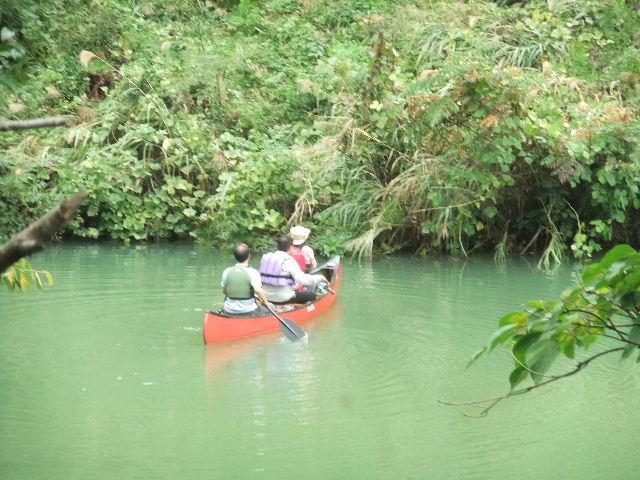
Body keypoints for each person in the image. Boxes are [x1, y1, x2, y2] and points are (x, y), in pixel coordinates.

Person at [259, 233, 327, 304]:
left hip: (265, 296)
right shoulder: (288, 260)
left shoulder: (266, 257)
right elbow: (302, 280)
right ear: (291, 247)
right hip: (282, 298)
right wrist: (320, 278)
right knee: (311, 295)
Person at [220, 243, 270, 316]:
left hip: (228, 310)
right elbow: (258, 291)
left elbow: (224, 291)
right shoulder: (253, 272)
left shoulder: (227, 271)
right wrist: (265, 302)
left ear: (235, 256)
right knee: (269, 308)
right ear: (249, 256)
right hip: (249, 310)